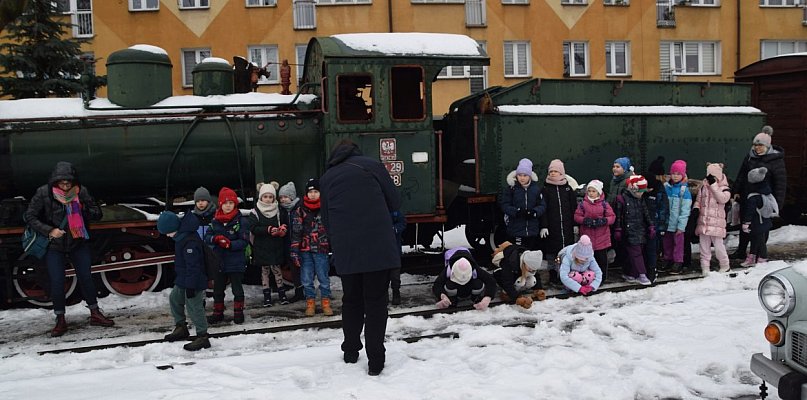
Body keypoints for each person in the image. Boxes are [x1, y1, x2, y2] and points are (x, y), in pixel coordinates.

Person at [320, 139, 401, 376]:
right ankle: (375, 361)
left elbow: (326, 219)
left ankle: (351, 350)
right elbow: (394, 202)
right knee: (376, 303)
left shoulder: (327, 178)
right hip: (378, 245)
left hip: (348, 249)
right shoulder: (372, 166)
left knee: (352, 300)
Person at [23, 161, 114, 337]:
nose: (65, 186)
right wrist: (50, 230)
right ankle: (60, 319)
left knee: (86, 277)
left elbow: (97, 214)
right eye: (61, 183)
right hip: (55, 245)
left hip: (78, 241)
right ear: (54, 182)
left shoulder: (82, 192)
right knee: (57, 281)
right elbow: (30, 216)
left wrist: (83, 208)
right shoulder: (44, 193)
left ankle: (95, 313)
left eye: (68, 183)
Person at [156, 211, 211, 351]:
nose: (167, 236)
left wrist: (191, 286)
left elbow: (194, 267)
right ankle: (181, 327)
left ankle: (202, 336)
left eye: (168, 233)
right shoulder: (180, 238)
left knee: (194, 306)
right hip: (183, 278)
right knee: (174, 298)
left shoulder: (189, 242)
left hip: (194, 280)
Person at [731, 129, 786, 260]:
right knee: (745, 225)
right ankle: (741, 251)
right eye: (755, 145)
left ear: (767, 146)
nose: (757, 148)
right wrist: (736, 191)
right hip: (747, 197)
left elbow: (780, 184)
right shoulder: (750, 156)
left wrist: (777, 204)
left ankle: (759, 253)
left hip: (764, 200)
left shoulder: (776, 161)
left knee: (761, 228)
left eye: (760, 145)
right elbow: (742, 175)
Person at [205, 187, 250, 325]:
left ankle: (238, 312)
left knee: (237, 288)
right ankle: (218, 312)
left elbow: (244, 241)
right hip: (219, 261)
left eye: (231, 203)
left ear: (235, 204)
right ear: (220, 205)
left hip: (235, 260)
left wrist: (230, 244)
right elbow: (207, 237)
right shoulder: (215, 222)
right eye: (225, 203)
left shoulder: (241, 221)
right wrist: (215, 239)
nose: (228, 206)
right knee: (218, 288)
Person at [291, 178, 333, 317]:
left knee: (323, 277)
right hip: (305, 249)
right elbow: (296, 231)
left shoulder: (326, 208)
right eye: (310, 192)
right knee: (307, 278)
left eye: (316, 191)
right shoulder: (300, 209)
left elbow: (332, 229)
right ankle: (310, 302)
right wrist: (294, 250)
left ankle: (325, 301)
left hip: (321, 248)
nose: (313, 194)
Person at [249, 182, 291, 307]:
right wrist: (267, 229)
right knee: (265, 272)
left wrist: (283, 228)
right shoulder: (255, 212)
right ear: (261, 197)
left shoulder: (279, 210)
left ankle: (282, 294)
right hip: (262, 247)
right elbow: (253, 228)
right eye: (265, 196)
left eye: (270, 197)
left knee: (277, 271)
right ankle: (267, 296)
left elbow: (284, 222)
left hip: (275, 246)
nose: (268, 199)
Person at [539, 159, 578, 284]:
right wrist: (544, 225)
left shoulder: (567, 189)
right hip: (553, 227)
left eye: (556, 171)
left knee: (567, 252)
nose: (553, 173)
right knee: (552, 253)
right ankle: (553, 275)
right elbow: (543, 209)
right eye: (551, 171)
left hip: (566, 227)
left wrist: (575, 224)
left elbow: (574, 208)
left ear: (561, 173)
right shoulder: (545, 190)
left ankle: (565, 274)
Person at [613, 175, 654, 285]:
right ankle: (642, 274)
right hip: (629, 231)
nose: (641, 194)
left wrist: (651, 225)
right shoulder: (622, 199)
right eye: (639, 191)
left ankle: (631, 273)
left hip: (640, 229)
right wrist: (618, 228)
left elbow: (646, 213)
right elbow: (618, 216)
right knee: (636, 253)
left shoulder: (640, 199)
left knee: (635, 253)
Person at [498, 158, 546, 250]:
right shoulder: (512, 189)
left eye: (525, 175)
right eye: (520, 175)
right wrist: (516, 212)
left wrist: (534, 212)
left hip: (532, 229)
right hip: (516, 229)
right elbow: (505, 205)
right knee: (517, 253)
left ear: (530, 176)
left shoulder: (535, 189)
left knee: (530, 254)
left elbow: (542, 205)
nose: (522, 178)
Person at [693, 163, 732, 274]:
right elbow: (699, 200)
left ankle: (725, 265)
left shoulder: (724, 188)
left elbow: (722, 199)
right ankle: (705, 267)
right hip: (704, 221)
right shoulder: (704, 187)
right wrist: (696, 208)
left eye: (713, 177)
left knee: (719, 246)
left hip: (716, 223)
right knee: (703, 246)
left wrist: (714, 185)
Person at [574, 180, 615, 281]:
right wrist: (584, 220)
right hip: (587, 236)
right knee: (587, 259)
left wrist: (604, 220)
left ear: (599, 192)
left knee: (601, 259)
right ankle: (589, 277)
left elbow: (612, 217)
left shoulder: (604, 204)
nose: (591, 193)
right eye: (589, 191)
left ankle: (602, 277)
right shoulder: (583, 204)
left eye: (593, 191)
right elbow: (576, 216)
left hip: (602, 237)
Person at [741, 167, 778, 267]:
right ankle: (753, 257)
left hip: (757, 222)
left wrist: (746, 223)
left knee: (760, 242)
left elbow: (750, 211)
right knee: (757, 240)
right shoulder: (766, 191)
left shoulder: (753, 197)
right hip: (765, 221)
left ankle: (762, 258)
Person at [490, 241, 543, 309]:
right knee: (519, 282)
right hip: (501, 274)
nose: (531, 270)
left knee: (532, 281)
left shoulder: (529, 263)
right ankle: (506, 292)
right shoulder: (511, 262)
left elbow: (536, 275)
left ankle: (518, 289)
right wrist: (517, 297)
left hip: (517, 273)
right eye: (530, 268)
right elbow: (507, 281)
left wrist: (539, 289)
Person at [663, 160, 692, 275]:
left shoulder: (684, 191)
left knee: (678, 244)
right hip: (666, 223)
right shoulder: (666, 187)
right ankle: (667, 259)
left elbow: (685, 210)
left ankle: (678, 262)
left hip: (677, 224)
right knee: (667, 243)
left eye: (678, 174)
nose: (675, 176)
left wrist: (681, 226)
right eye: (673, 173)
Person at [278, 181, 304, 303]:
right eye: (281, 197)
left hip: (300, 244)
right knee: (293, 269)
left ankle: (306, 290)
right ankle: (299, 290)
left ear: (292, 197)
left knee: (304, 268)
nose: (283, 200)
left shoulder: (299, 208)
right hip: (287, 243)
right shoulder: (282, 211)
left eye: (285, 197)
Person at [645, 157, 669, 278]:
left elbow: (663, 209)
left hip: (656, 224)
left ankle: (653, 268)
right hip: (650, 224)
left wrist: (662, 226)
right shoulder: (651, 188)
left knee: (654, 248)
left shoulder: (659, 190)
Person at [389, 209, 407, 306]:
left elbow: (402, 222)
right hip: (380, 249)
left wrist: (393, 229)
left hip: (394, 248)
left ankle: (396, 292)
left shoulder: (394, 209)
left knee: (395, 275)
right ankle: (383, 296)